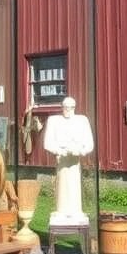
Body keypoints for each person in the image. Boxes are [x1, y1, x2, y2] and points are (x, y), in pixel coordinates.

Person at [43, 96, 94, 225]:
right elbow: (47, 143)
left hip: (75, 160)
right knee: (62, 185)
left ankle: (75, 210)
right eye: (65, 107)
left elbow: (89, 144)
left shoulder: (82, 121)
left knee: (74, 184)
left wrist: (80, 151)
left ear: (74, 107)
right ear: (62, 107)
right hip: (61, 160)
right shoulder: (54, 121)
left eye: (71, 107)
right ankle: (62, 210)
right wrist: (58, 150)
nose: (68, 110)